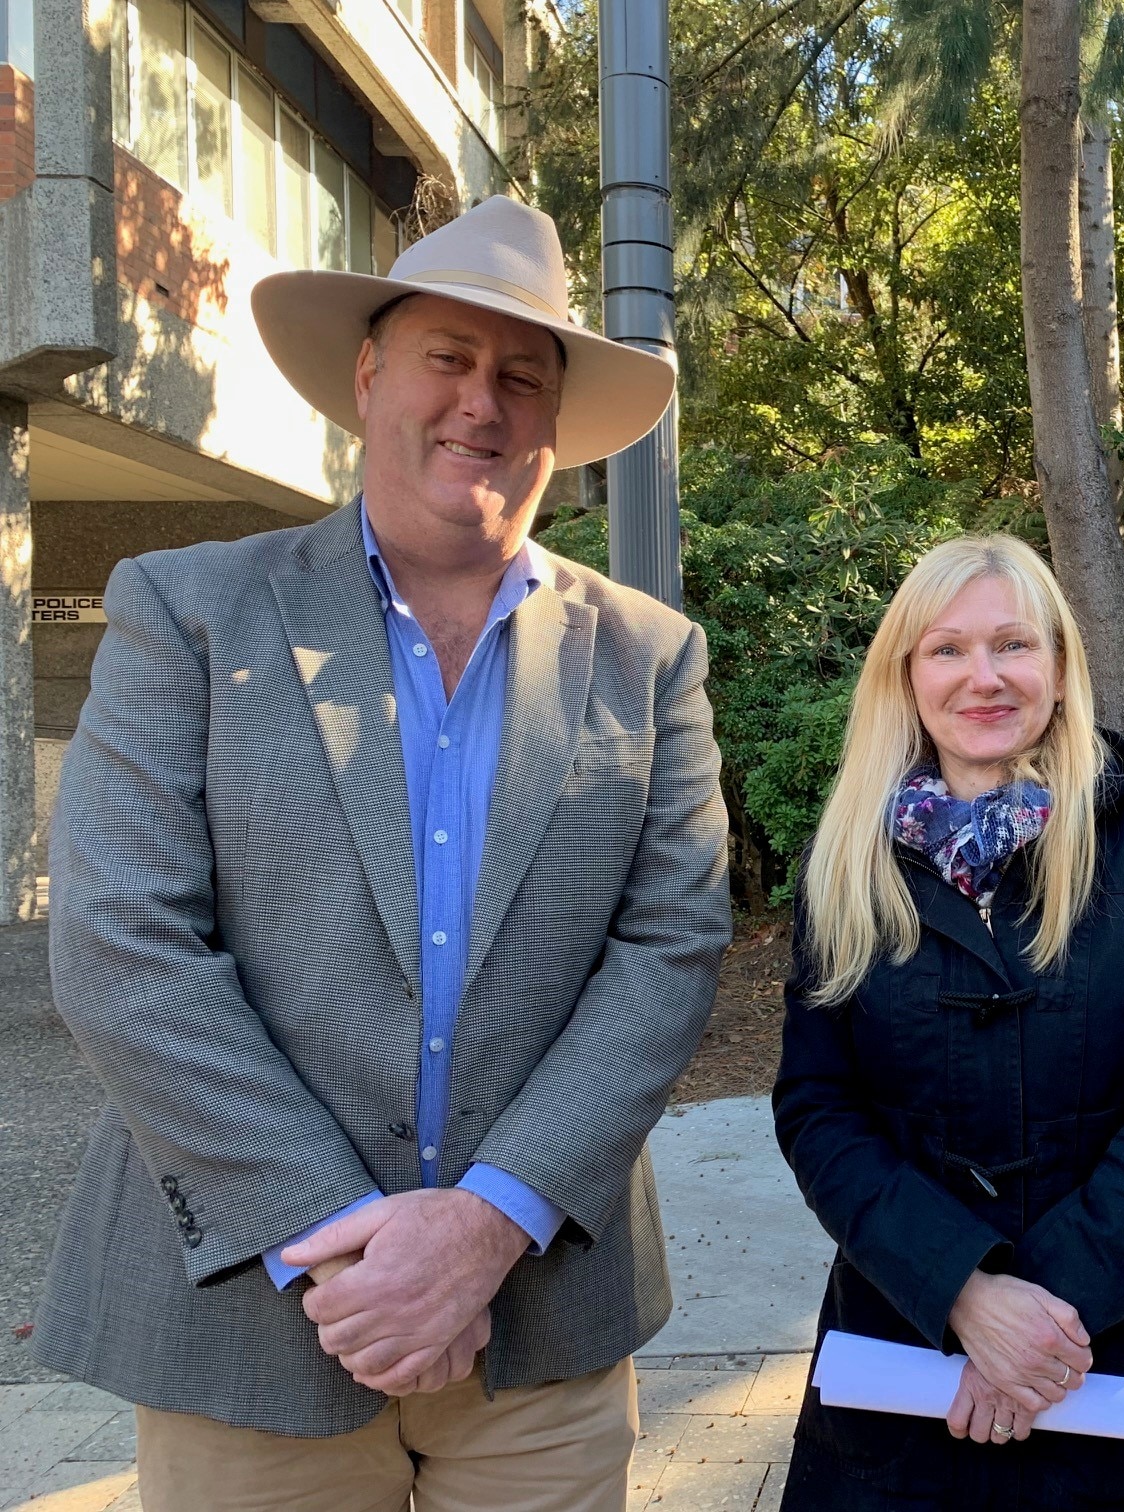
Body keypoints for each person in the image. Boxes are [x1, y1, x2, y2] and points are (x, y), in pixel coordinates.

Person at [31, 196, 732, 1511]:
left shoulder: (650, 656)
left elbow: (669, 951)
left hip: (543, 1336)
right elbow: (122, 950)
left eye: (522, 375)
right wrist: (341, 1243)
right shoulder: (186, 609)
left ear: (557, 422)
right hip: (250, 1325)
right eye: (448, 360)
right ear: (368, 378)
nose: (484, 402)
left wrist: (482, 1226)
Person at [771, 535, 1124, 1510]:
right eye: (947, 649)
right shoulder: (843, 865)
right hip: (898, 1346)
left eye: (1013, 646)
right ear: (905, 677)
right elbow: (819, 1107)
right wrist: (963, 1291)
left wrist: (1041, 1318)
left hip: (1103, 1345)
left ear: (1062, 670)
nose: (982, 677)